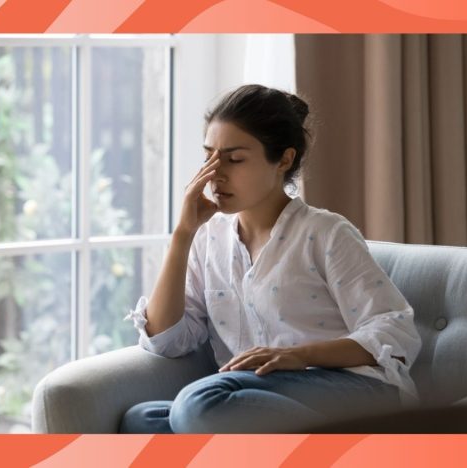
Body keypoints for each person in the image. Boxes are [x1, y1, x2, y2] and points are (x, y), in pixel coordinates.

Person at [121, 84, 422, 433]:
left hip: (351, 389)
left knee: (198, 404)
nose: (216, 174)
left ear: (284, 159)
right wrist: (182, 235)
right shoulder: (208, 239)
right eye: (209, 157)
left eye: (234, 159)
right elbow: (166, 340)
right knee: (141, 421)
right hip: (257, 393)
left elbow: (395, 331)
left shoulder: (325, 233)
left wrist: (299, 357)